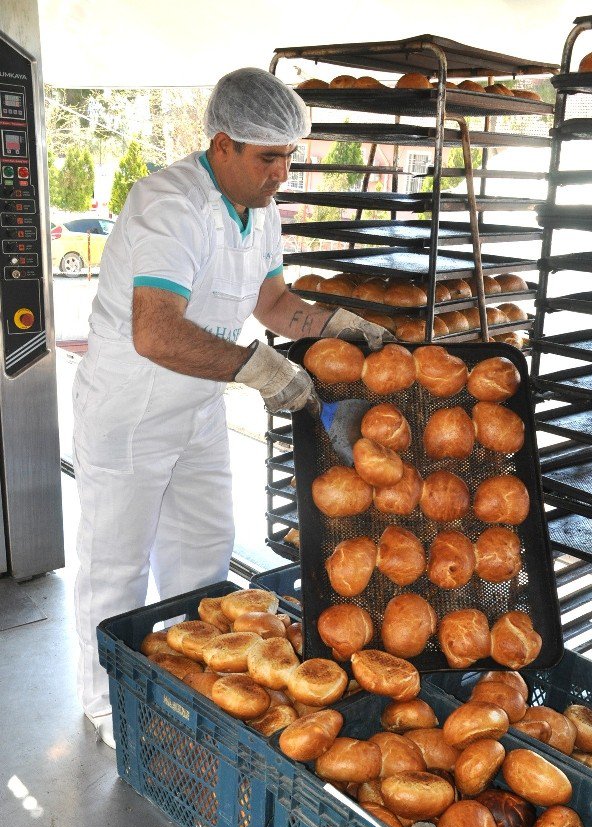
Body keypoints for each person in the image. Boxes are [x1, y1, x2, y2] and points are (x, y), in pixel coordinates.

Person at [72, 67, 384, 749]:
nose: (282, 174)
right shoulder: (169, 206)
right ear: (222, 146)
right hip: (130, 410)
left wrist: (336, 324)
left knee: (202, 556)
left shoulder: (260, 210)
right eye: (269, 158)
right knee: (115, 565)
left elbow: (272, 304)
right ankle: (108, 709)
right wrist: (256, 367)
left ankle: (203, 689)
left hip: (196, 405)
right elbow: (155, 331)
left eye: (289, 157)